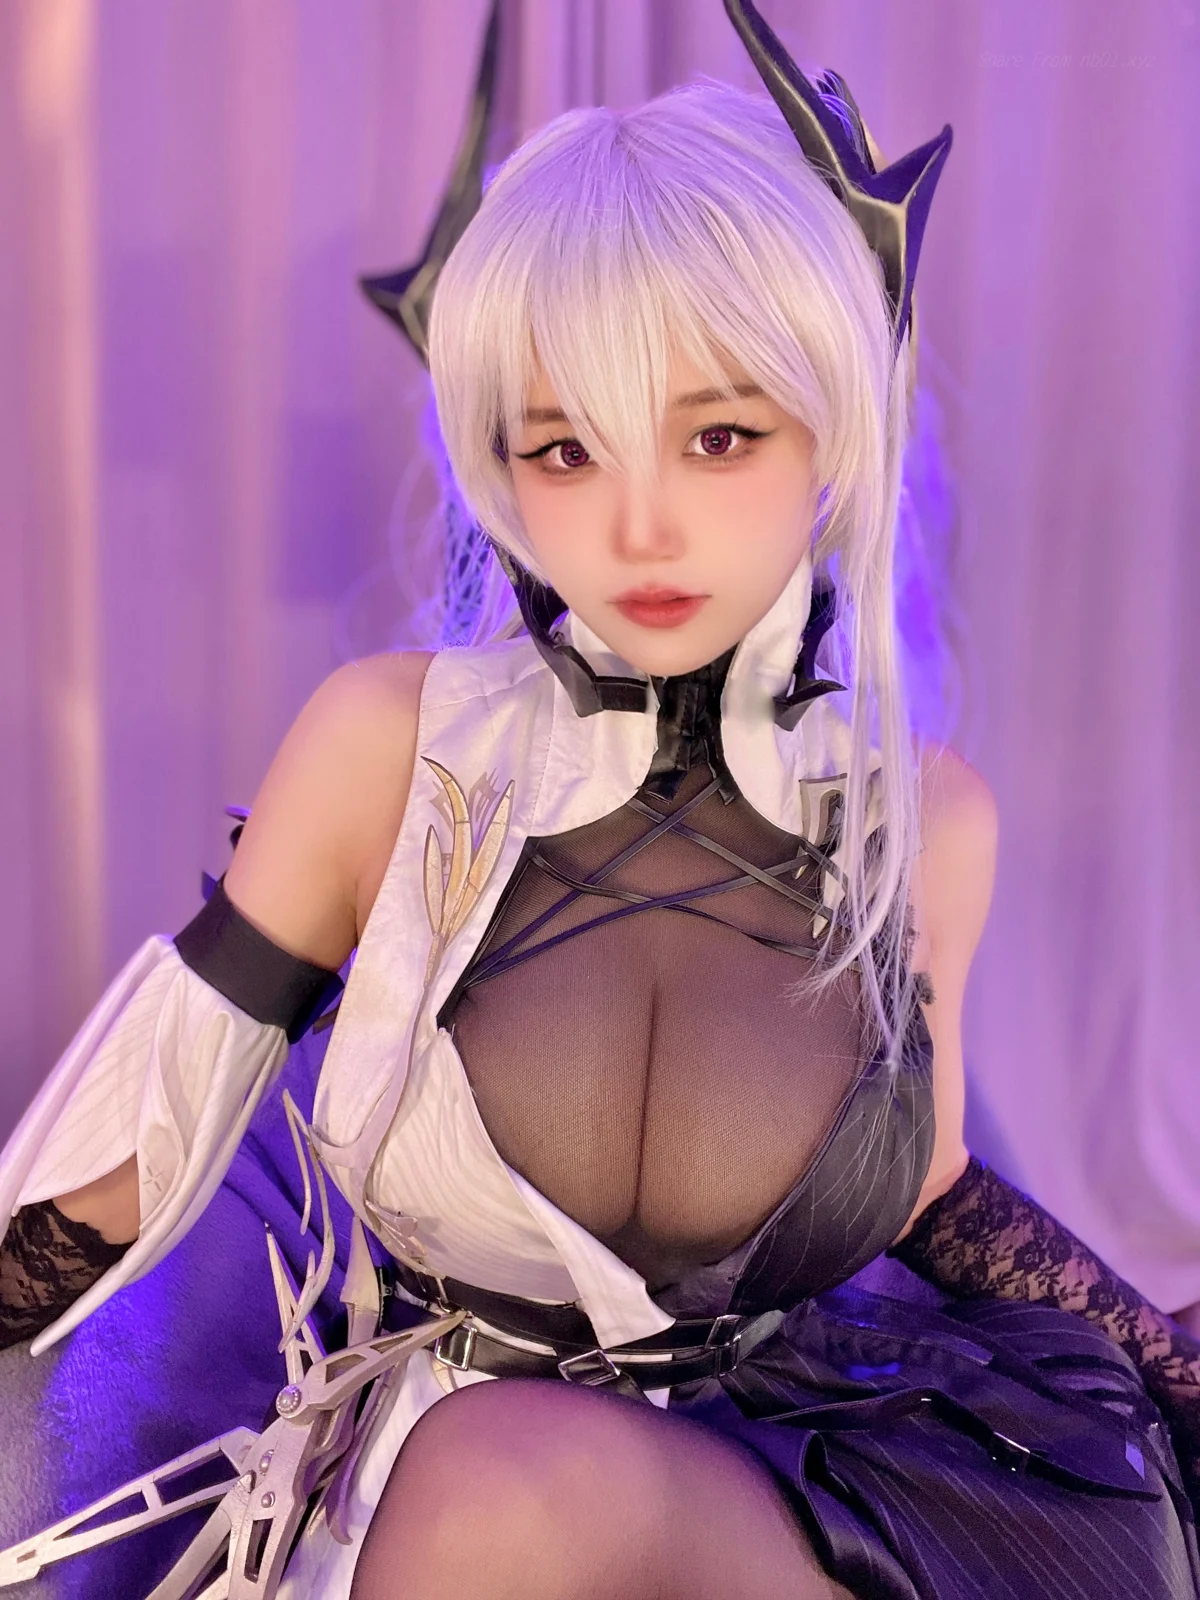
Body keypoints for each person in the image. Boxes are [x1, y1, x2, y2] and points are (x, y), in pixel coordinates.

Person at [1, 3, 1198, 1596]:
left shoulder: (923, 819)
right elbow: (136, 1164)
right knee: (505, 1480)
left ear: (833, 440)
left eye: (718, 436)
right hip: (466, 1495)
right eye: (565, 451)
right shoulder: (388, 750)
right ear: (498, 465)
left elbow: (918, 1182)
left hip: (805, 1489)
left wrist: (1170, 1360)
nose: (641, 529)